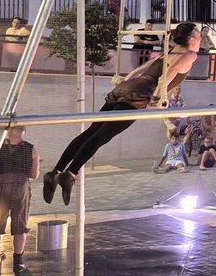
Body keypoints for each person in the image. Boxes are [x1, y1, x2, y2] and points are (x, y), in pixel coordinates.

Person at [42, 22, 204, 204]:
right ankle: (70, 174)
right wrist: (159, 98)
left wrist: (125, 80)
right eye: (198, 36)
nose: (201, 39)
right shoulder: (190, 54)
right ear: (191, 39)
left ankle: (54, 172)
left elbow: (144, 67)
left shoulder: (170, 51)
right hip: (140, 93)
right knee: (101, 137)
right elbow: (168, 74)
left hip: (127, 87)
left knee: (92, 132)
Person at [0, 126, 39, 274]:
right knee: (20, 225)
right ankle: (18, 264)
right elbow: (34, 175)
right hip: (20, 189)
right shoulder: (32, 150)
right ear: (23, 131)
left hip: (0, 188)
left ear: (9, 131)